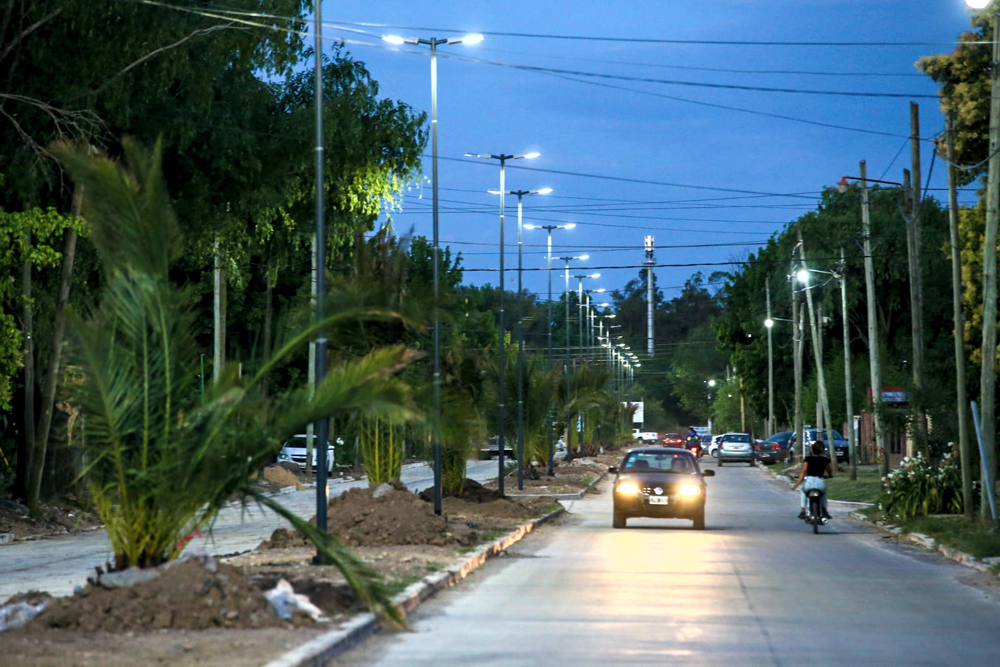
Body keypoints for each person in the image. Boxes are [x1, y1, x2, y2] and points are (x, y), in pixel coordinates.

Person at [791, 442, 832, 520]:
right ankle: (825, 511)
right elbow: (829, 470)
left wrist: (797, 484)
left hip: (809, 483)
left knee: (803, 491)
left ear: (812, 450)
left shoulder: (808, 459)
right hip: (820, 482)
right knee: (823, 494)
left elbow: (803, 472)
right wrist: (830, 475)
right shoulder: (825, 459)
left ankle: (803, 511)